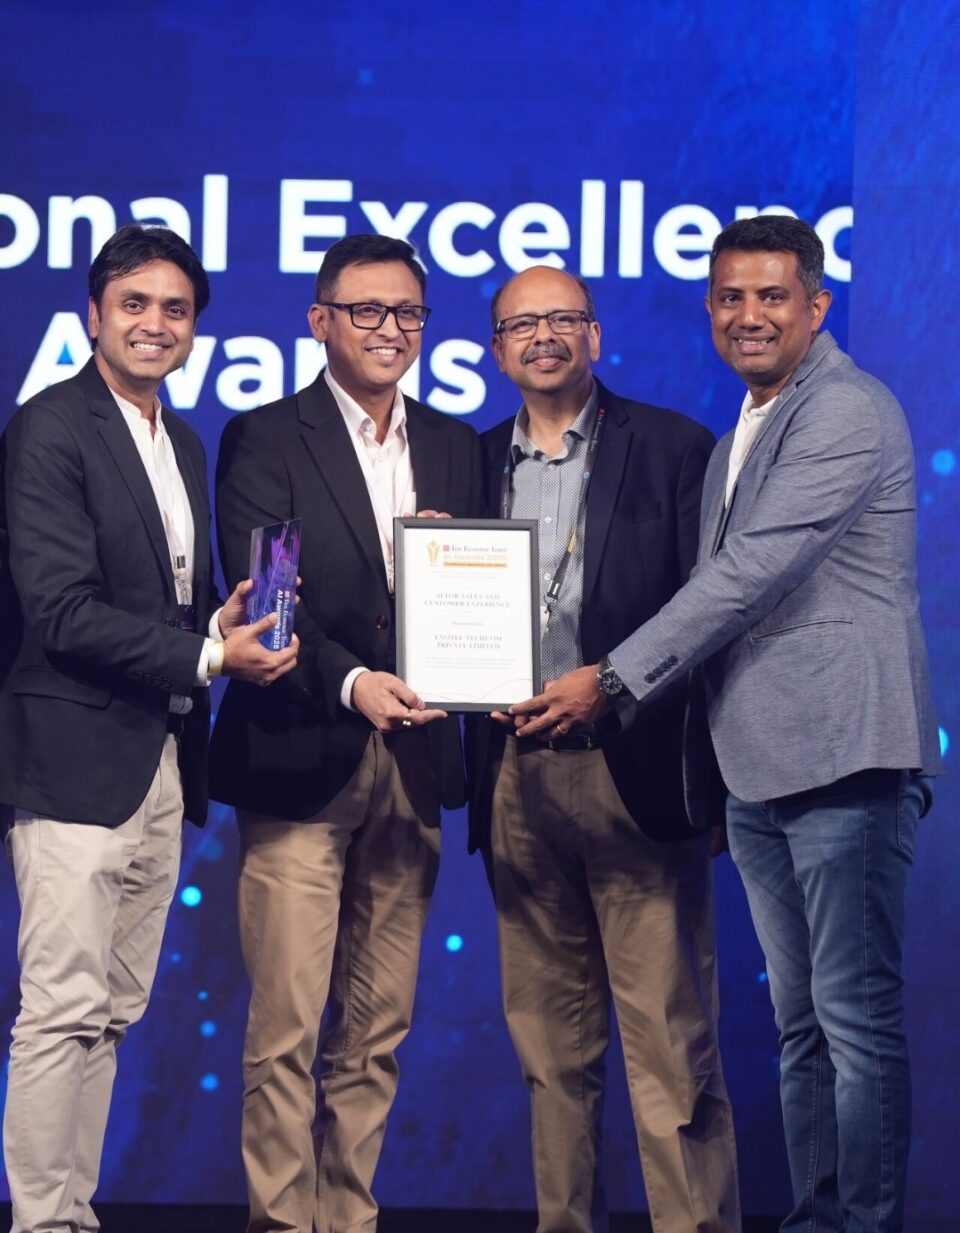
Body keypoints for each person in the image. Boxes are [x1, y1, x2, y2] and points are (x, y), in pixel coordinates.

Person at [510, 217, 941, 1233]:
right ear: (708, 309)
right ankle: (818, 1219)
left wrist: (610, 679)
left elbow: (746, 577)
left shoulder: (846, 410)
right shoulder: (744, 427)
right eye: (731, 298)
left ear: (816, 306)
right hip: (758, 769)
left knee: (855, 1021)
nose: (750, 315)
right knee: (804, 1028)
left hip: (844, 759)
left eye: (772, 296)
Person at [0, 224, 298, 1233]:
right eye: (134, 304)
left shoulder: (182, 439)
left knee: (114, 1009)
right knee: (62, 1007)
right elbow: (60, 611)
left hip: (163, 757)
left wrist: (215, 623)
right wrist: (209, 658)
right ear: (94, 315)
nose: (155, 324)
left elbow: (160, 604)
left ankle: (71, 1211)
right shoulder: (51, 426)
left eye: (175, 309)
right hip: (73, 762)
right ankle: (42, 1220)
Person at [210, 234, 483, 1233]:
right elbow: (272, 601)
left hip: (415, 761)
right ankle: (285, 1223)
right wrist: (356, 681)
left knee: (375, 1033)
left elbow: (477, 604)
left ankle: (349, 1217)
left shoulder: (455, 442)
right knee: (286, 1029)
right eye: (367, 310)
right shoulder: (264, 437)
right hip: (300, 757)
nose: (390, 330)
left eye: (408, 312)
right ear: (320, 320)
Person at [467, 264, 740, 1233]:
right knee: (549, 1053)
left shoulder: (673, 448)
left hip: (636, 774)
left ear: (596, 335)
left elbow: (712, 615)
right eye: (521, 324)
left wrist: (617, 688)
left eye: (563, 319)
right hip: (513, 779)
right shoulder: (470, 461)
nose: (543, 337)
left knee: (670, 1044)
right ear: (497, 351)